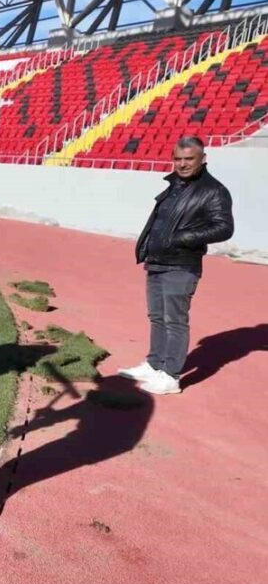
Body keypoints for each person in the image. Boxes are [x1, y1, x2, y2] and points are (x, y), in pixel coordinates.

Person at [117, 136, 233, 395]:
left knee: (175, 320)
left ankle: (171, 376)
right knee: (157, 316)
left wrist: (182, 238)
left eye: (189, 159)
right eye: (178, 159)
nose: (182, 164)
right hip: (157, 261)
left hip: (181, 264)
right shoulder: (174, 184)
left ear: (202, 159)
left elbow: (224, 227)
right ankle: (155, 363)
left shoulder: (213, 190)